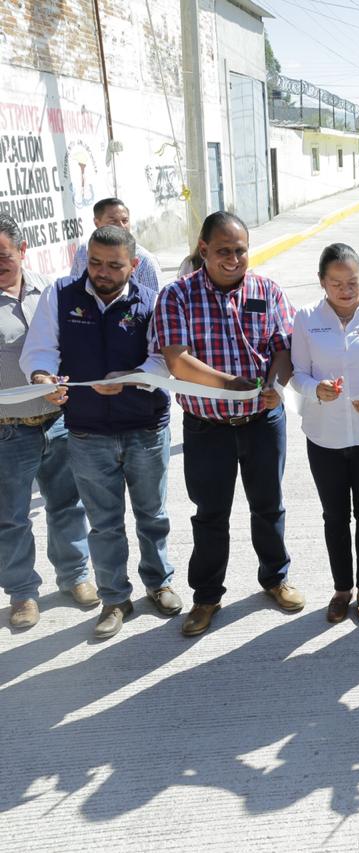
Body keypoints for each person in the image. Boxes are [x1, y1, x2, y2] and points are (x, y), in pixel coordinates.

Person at [21, 225, 179, 639]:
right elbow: (40, 350)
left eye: (114, 265)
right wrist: (42, 377)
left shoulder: (152, 302)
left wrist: (130, 377)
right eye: (95, 263)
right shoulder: (61, 295)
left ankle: (159, 583)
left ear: (134, 265)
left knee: (152, 515)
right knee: (104, 523)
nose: (102, 272)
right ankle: (114, 598)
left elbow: (163, 360)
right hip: (88, 432)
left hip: (145, 428)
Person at [152, 211, 300, 637]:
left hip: (262, 422)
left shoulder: (267, 290)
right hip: (207, 427)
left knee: (268, 505)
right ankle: (206, 596)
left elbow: (284, 346)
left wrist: (275, 384)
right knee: (211, 514)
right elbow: (177, 360)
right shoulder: (177, 296)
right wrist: (230, 385)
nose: (233, 259)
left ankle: (275, 578)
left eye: (240, 251)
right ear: (203, 250)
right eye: (223, 251)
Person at [290, 243, 359, 624]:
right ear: (322, 282)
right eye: (336, 283)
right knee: (335, 516)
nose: (345, 290)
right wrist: (315, 389)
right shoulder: (307, 318)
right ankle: (341, 589)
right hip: (325, 436)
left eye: (352, 281)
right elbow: (298, 373)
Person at [0, 214, 93, 629]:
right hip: (7, 428)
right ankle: (22, 592)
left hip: (57, 422)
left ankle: (74, 575)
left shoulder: (51, 292)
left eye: (3, 255)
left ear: (22, 250)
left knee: (67, 504)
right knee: (11, 517)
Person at [68, 198, 161, 292]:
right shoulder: (82, 251)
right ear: (96, 223)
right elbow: (73, 289)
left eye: (125, 220)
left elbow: (155, 299)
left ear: (134, 264)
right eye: (113, 222)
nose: (121, 226)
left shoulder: (145, 261)